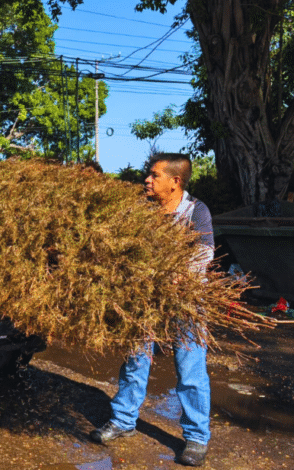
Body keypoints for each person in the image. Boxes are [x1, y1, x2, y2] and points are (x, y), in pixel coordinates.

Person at [89, 153, 214, 467]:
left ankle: (197, 438)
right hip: (144, 299)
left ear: (175, 182)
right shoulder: (141, 210)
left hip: (185, 299)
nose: (147, 179)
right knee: (135, 359)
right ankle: (123, 421)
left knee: (190, 368)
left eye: (154, 175)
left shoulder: (195, 211)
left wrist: (174, 275)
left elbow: (204, 255)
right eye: (148, 174)